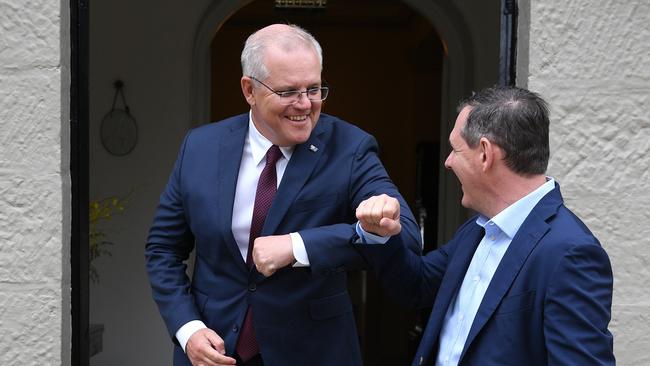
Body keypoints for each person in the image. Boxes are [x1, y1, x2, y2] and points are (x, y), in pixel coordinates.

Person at [145, 23, 420, 366]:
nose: (305, 104)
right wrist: (188, 329)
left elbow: (406, 235)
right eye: (289, 91)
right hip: (212, 352)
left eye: (315, 89)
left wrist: (297, 246)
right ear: (250, 90)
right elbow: (162, 249)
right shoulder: (200, 147)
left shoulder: (350, 148)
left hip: (313, 352)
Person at [356, 86, 615, 366]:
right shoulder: (477, 230)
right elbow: (416, 285)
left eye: (455, 149)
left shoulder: (570, 253)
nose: (447, 162)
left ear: (484, 153)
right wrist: (379, 233)